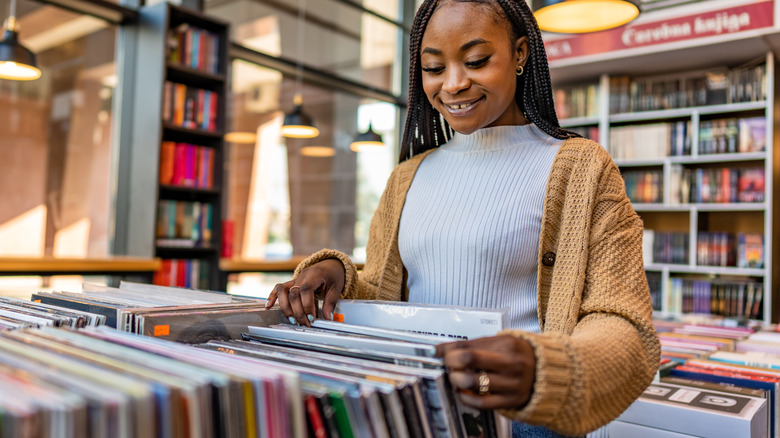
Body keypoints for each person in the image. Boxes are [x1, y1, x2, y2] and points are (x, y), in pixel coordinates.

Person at [265, 0, 661, 436]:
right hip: (416, 410)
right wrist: (338, 274)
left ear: (521, 53)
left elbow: (625, 323)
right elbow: (388, 293)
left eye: (476, 61)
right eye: (434, 68)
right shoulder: (406, 177)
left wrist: (547, 369)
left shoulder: (583, 169)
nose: (453, 84)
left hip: (525, 420)